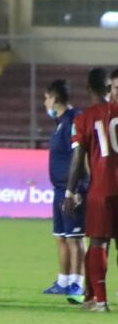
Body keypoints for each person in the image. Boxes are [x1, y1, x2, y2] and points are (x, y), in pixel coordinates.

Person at [63, 68, 117, 311]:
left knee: (98, 243)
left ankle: (100, 300)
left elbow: (77, 159)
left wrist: (70, 192)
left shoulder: (83, 119)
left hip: (102, 188)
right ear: (109, 88)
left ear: (87, 89)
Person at [42, 79, 86, 299]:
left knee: (75, 237)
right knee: (61, 236)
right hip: (59, 188)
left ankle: (77, 283)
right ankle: (63, 281)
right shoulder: (60, 122)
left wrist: (76, 188)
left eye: (46, 98)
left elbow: (80, 155)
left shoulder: (73, 119)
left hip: (72, 189)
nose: (45, 103)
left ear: (55, 98)